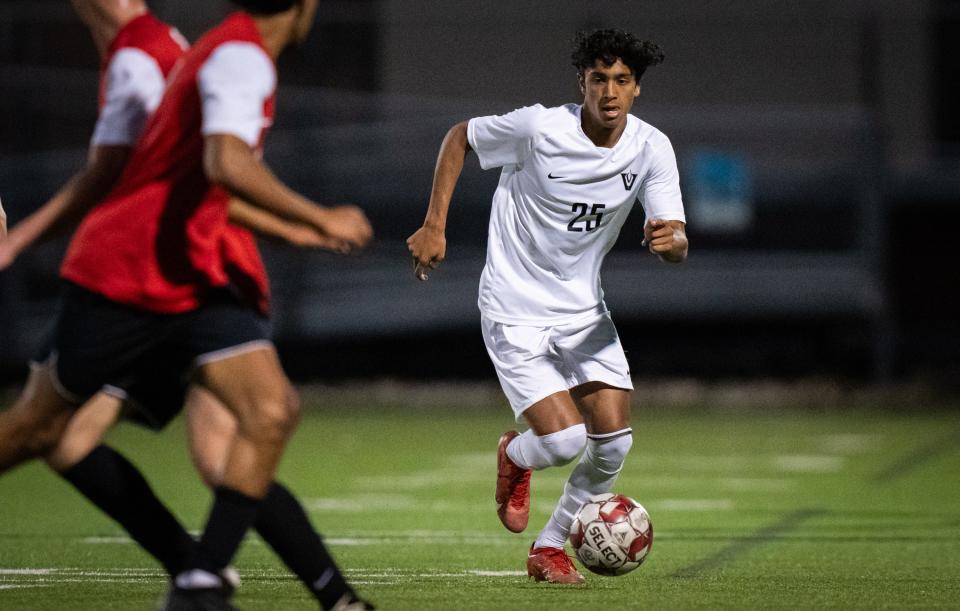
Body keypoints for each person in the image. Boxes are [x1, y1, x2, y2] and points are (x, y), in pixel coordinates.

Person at [0, 0, 374, 608]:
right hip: (132, 272)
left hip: (192, 272)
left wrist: (297, 229)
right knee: (41, 432)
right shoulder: (234, 54)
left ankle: (214, 582)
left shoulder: (185, 48)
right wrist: (315, 216)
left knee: (268, 412)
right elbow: (221, 163)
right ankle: (213, 576)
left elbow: (183, 175)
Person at [407, 29, 688, 584]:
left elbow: (675, 237)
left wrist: (671, 244)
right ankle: (517, 456)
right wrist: (434, 224)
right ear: (581, 82)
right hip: (514, 306)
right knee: (563, 441)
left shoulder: (652, 148)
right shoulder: (539, 129)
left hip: (583, 311)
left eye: (622, 81)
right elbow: (460, 137)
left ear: (637, 91)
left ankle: (550, 547)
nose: (610, 92)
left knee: (613, 443)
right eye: (599, 79)